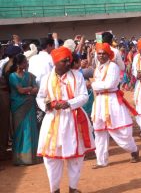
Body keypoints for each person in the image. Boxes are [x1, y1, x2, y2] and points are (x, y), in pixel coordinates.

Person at [37, 46, 95, 193]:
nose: (68, 63)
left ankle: (73, 188)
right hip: (52, 121)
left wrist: (69, 103)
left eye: (69, 60)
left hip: (73, 120)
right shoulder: (46, 78)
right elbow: (40, 97)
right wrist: (47, 105)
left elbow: (84, 96)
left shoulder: (77, 76)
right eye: (64, 61)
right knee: (52, 158)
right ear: (55, 62)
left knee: (75, 158)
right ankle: (54, 189)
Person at [91, 43, 139, 168]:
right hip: (100, 102)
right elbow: (103, 85)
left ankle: (133, 149)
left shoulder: (113, 67)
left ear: (109, 55)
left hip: (112, 101)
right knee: (99, 132)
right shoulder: (98, 68)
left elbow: (109, 84)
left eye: (103, 53)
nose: (101, 56)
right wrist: (97, 86)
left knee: (120, 131)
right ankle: (101, 161)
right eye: (99, 53)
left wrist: (93, 85)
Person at [8, 54, 39, 165]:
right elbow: (20, 90)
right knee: (19, 131)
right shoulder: (12, 76)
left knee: (30, 130)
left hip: (29, 105)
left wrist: (30, 89)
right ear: (18, 64)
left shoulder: (30, 76)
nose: (27, 64)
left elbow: (36, 88)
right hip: (18, 107)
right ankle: (20, 158)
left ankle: (30, 158)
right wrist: (30, 89)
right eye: (25, 62)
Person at [0, 45, 22, 161]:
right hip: (11, 97)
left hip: (9, 96)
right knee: (9, 125)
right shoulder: (12, 67)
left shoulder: (5, 65)